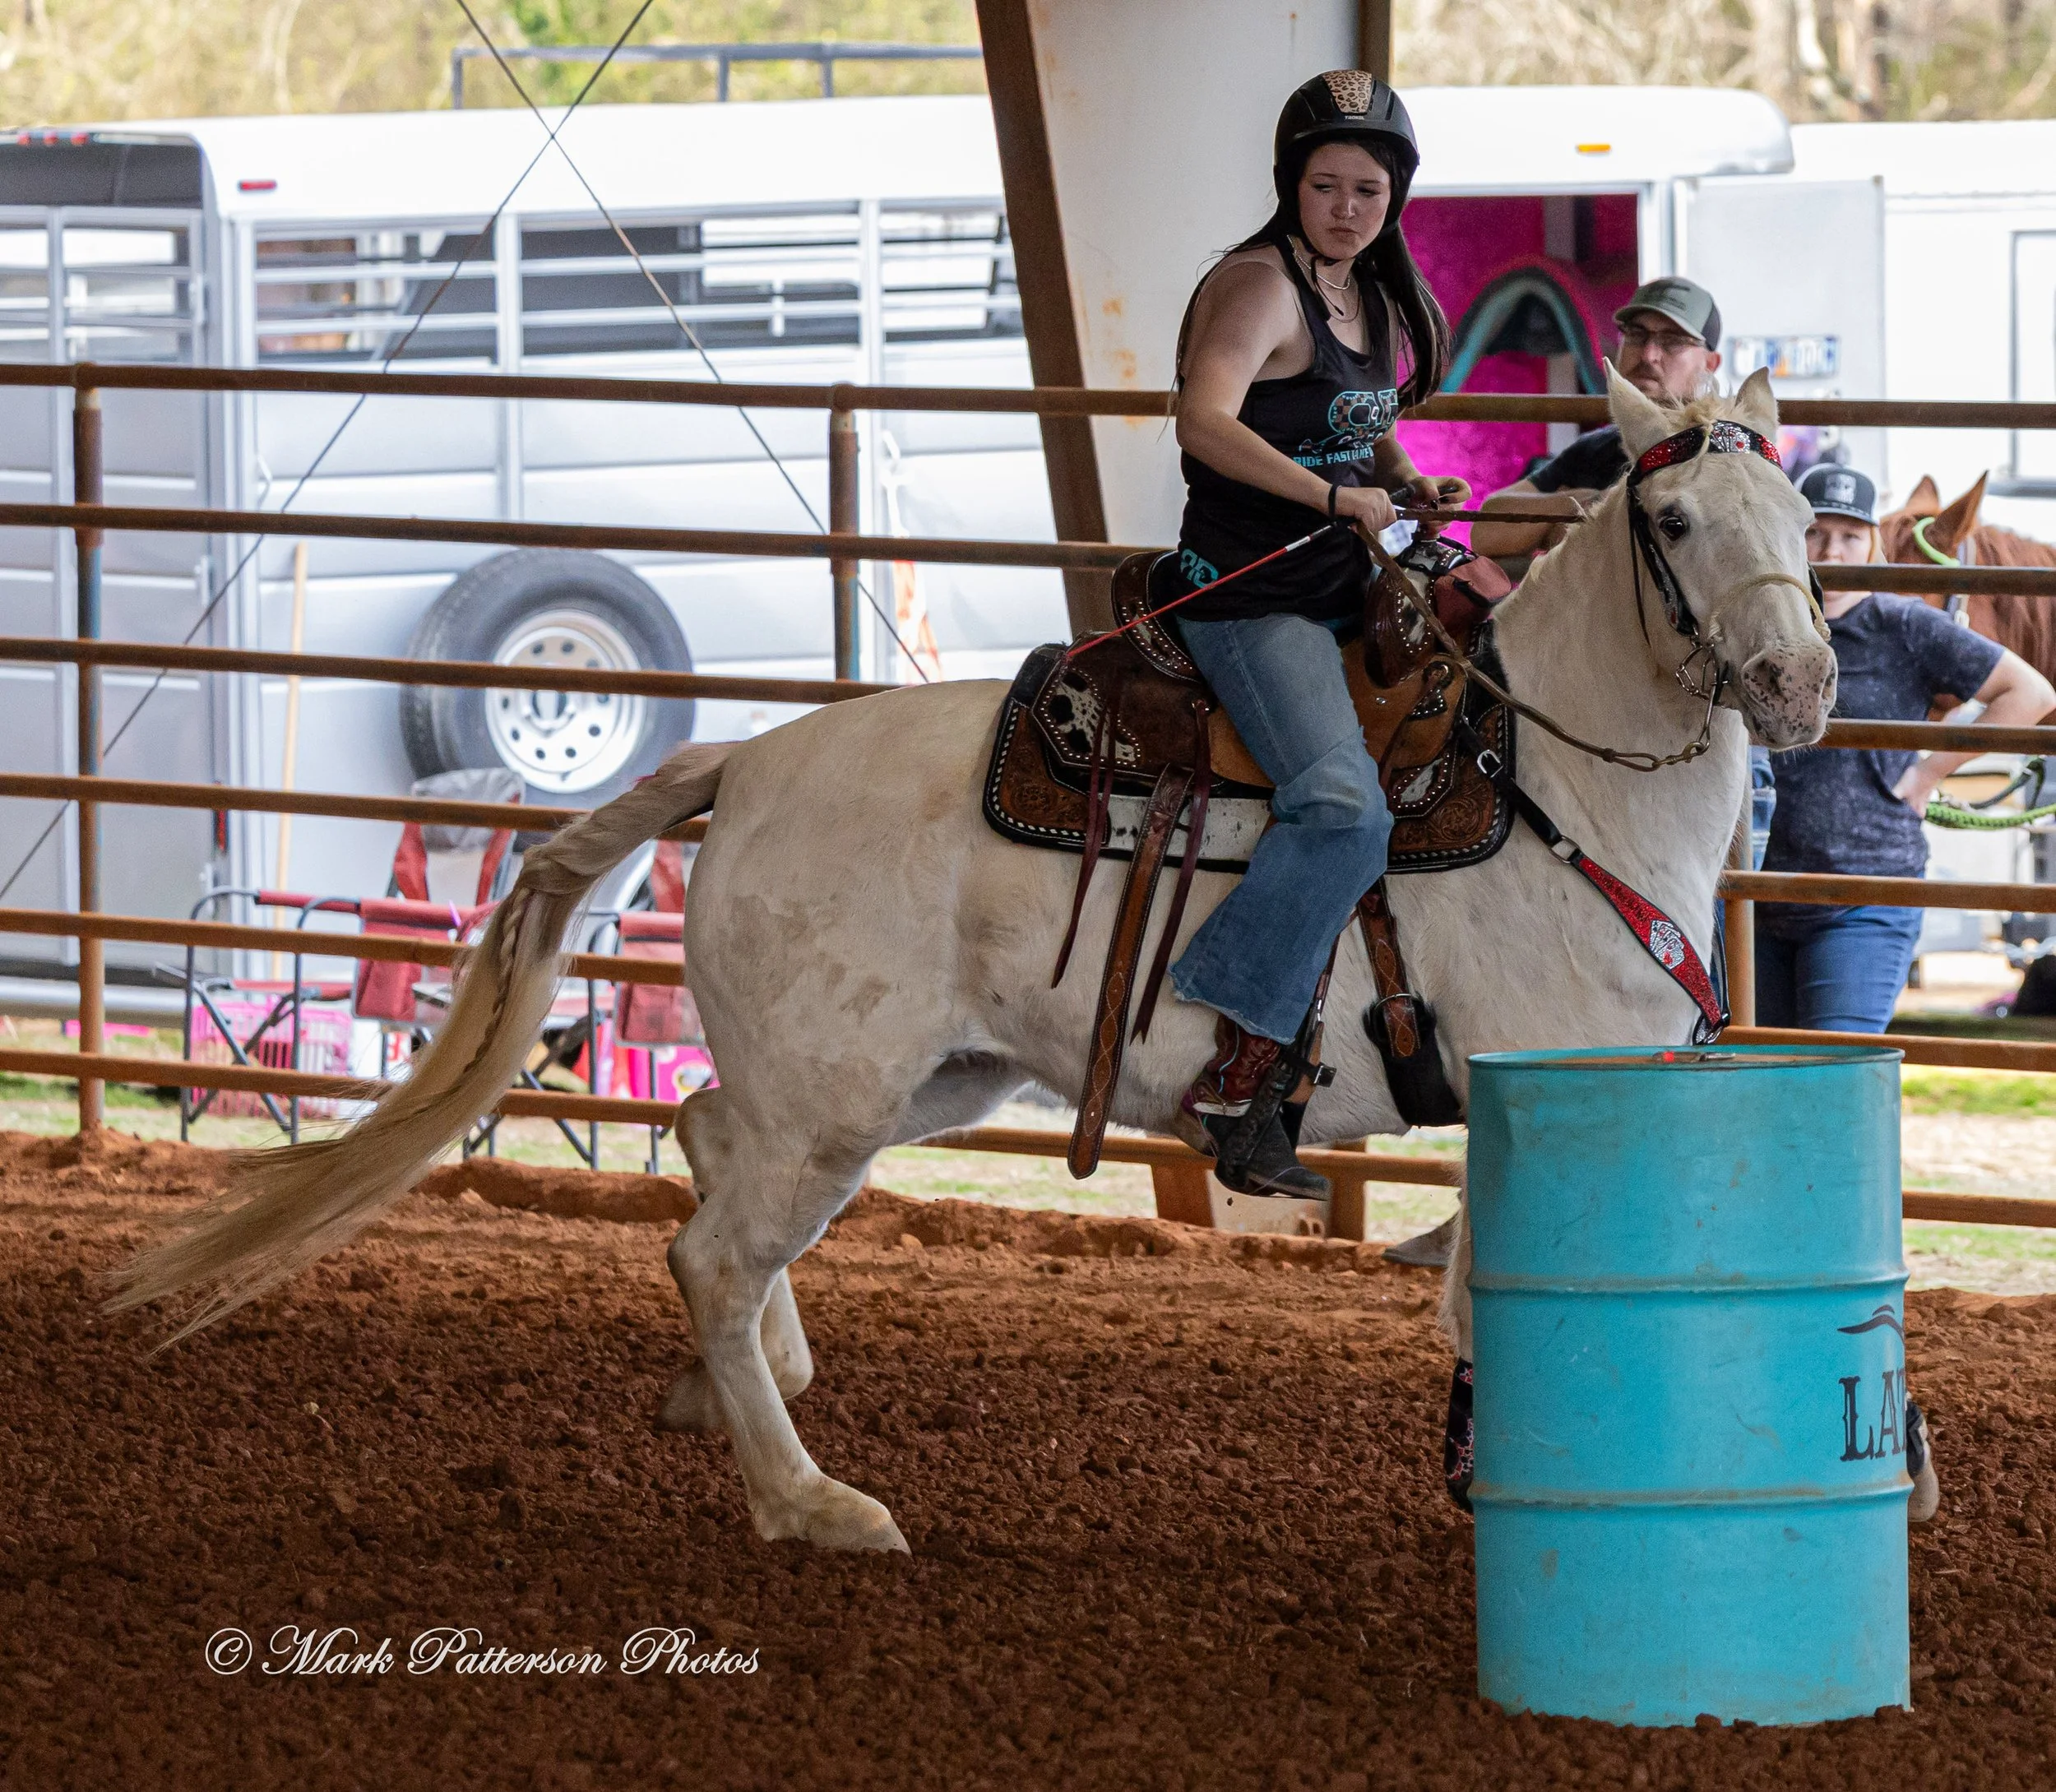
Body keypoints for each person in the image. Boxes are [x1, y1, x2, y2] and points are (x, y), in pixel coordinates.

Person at [1164, 69, 1468, 1197]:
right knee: (1343, 807)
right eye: (1326, 185)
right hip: (1251, 593)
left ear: (1395, 198)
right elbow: (1201, 419)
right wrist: (1333, 499)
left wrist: (1403, 478)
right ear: (1290, 184)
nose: (1346, 208)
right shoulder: (1259, 286)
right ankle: (1236, 1068)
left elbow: (1355, 422)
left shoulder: (1370, 293)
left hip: (1344, 576)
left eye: (1368, 190)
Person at [1756, 465, 2056, 1032]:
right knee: (1764, 1065)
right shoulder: (1764, 624)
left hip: (1865, 895)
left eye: (1850, 536)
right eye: (1816, 532)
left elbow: (2030, 692)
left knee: (1839, 1061)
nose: (1832, 552)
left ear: (1871, 541)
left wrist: (1927, 774)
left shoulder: (1904, 624)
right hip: (1760, 892)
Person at [1469, 275, 1724, 564]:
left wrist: (1567, 521)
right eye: (1637, 334)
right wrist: (1580, 504)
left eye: (1673, 341)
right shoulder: (1596, 448)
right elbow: (1486, 529)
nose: (1649, 354)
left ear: (1710, 364)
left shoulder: (1722, 454)